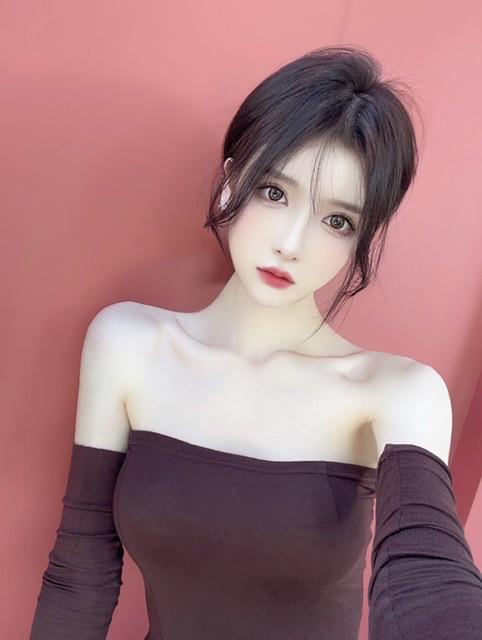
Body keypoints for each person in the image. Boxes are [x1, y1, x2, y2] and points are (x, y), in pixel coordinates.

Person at [29, 45, 482, 639]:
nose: (291, 243)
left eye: (337, 221)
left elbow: (427, 578)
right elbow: (79, 571)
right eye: (274, 192)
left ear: (360, 242)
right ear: (230, 183)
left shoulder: (398, 393)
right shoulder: (128, 346)